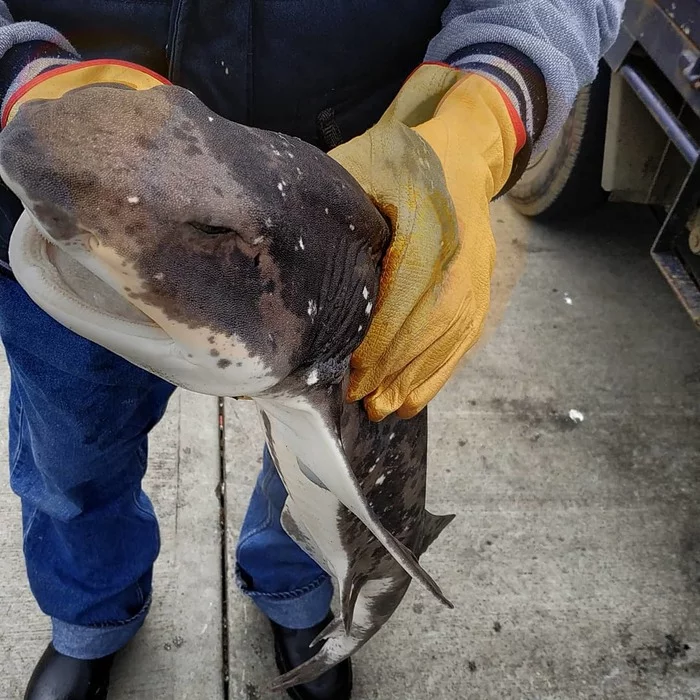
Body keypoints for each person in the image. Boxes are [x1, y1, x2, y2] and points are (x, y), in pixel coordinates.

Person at [0, 2, 625, 699]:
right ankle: (90, 619)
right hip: (75, 151)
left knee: (331, 467)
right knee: (68, 459)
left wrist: (496, 94)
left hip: (353, 207)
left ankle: (302, 595)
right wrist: (15, 71)